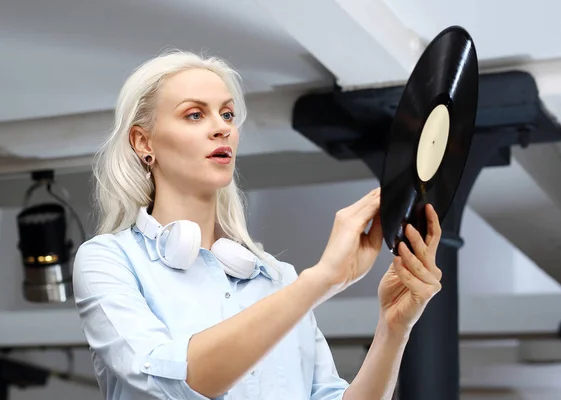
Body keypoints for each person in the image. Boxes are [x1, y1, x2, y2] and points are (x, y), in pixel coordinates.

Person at [72, 49, 443, 400]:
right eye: (195, 115)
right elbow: (174, 383)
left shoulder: (278, 279)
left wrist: (393, 328)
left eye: (228, 114)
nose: (222, 128)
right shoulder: (109, 261)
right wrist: (320, 281)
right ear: (143, 142)